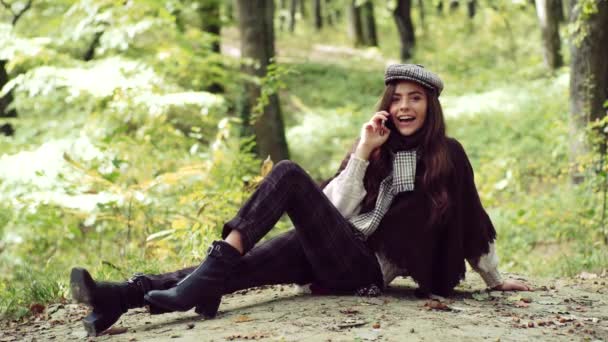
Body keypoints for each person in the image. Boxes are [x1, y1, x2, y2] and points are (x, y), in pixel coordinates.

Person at [70, 64, 530, 336]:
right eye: (397, 99)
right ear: (386, 104)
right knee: (236, 269)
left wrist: (493, 278)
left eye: (415, 98)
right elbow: (336, 210)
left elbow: (472, 217)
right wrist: (365, 152)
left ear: (431, 106)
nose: (404, 107)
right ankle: (119, 298)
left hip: (363, 269)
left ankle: (201, 276)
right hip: (335, 245)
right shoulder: (375, 146)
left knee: (288, 174)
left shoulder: (447, 156)